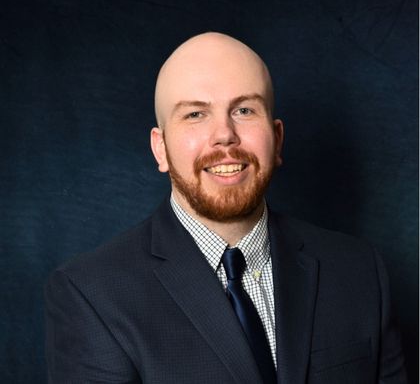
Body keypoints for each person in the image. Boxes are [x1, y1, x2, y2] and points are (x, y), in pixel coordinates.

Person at [45, 32, 407, 384]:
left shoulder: (359, 272)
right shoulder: (91, 294)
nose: (225, 135)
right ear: (161, 148)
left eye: (245, 110)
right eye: (195, 115)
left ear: (277, 138)